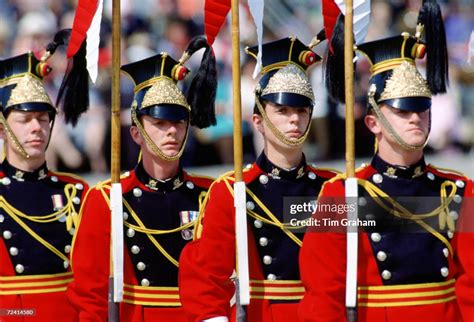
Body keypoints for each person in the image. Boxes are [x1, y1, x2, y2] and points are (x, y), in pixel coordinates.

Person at [298, 10, 474, 322]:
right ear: (373, 122)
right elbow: (324, 295)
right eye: (402, 111)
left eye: (421, 108)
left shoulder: (459, 191)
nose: (415, 118)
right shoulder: (343, 195)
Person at [179, 35, 339, 322]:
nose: (294, 119)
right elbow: (204, 276)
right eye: (282, 110)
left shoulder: (332, 188)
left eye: (302, 110)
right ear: (258, 121)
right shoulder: (234, 190)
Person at [67, 36, 217, 322]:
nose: (171, 132)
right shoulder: (107, 199)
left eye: (178, 123)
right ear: (136, 133)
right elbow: (90, 291)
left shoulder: (209, 194)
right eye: (159, 124)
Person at [0, 40, 89, 321]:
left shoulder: (76, 193)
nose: (37, 128)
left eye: (43, 118)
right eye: (25, 120)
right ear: (2, 128)